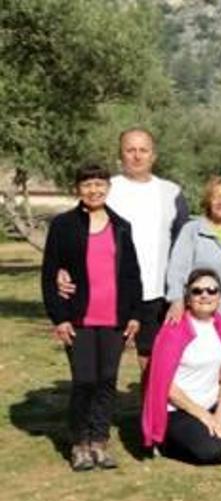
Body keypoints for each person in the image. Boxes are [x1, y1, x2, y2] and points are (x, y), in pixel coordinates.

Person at [41, 164, 143, 471]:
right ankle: (80, 443)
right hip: (79, 318)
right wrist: (59, 317)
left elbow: (131, 274)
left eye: (99, 184)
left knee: (107, 381)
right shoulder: (63, 225)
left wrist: (135, 315)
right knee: (85, 380)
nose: (94, 190)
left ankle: (99, 441)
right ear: (77, 189)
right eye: (87, 185)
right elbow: (49, 274)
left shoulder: (121, 225)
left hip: (115, 319)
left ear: (108, 188)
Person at [92, 129, 187, 373]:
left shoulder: (171, 192)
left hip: (156, 294)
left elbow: (184, 244)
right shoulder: (105, 190)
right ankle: (99, 411)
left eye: (143, 150)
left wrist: (180, 291)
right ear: (120, 155)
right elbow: (80, 235)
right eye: (130, 150)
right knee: (104, 363)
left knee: (153, 362)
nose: (137, 156)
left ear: (153, 155)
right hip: (111, 293)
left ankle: (148, 411)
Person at [141, 269, 221, 465]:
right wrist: (203, 416)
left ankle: (202, 433)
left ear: (220, 297)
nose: (205, 295)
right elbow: (165, 384)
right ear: (188, 298)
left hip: (211, 406)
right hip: (179, 409)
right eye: (197, 291)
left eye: (212, 290)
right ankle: (165, 443)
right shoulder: (172, 331)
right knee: (213, 452)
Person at [165, 176, 221, 326]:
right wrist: (176, 300)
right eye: (217, 197)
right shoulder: (192, 231)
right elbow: (176, 270)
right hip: (199, 317)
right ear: (208, 201)